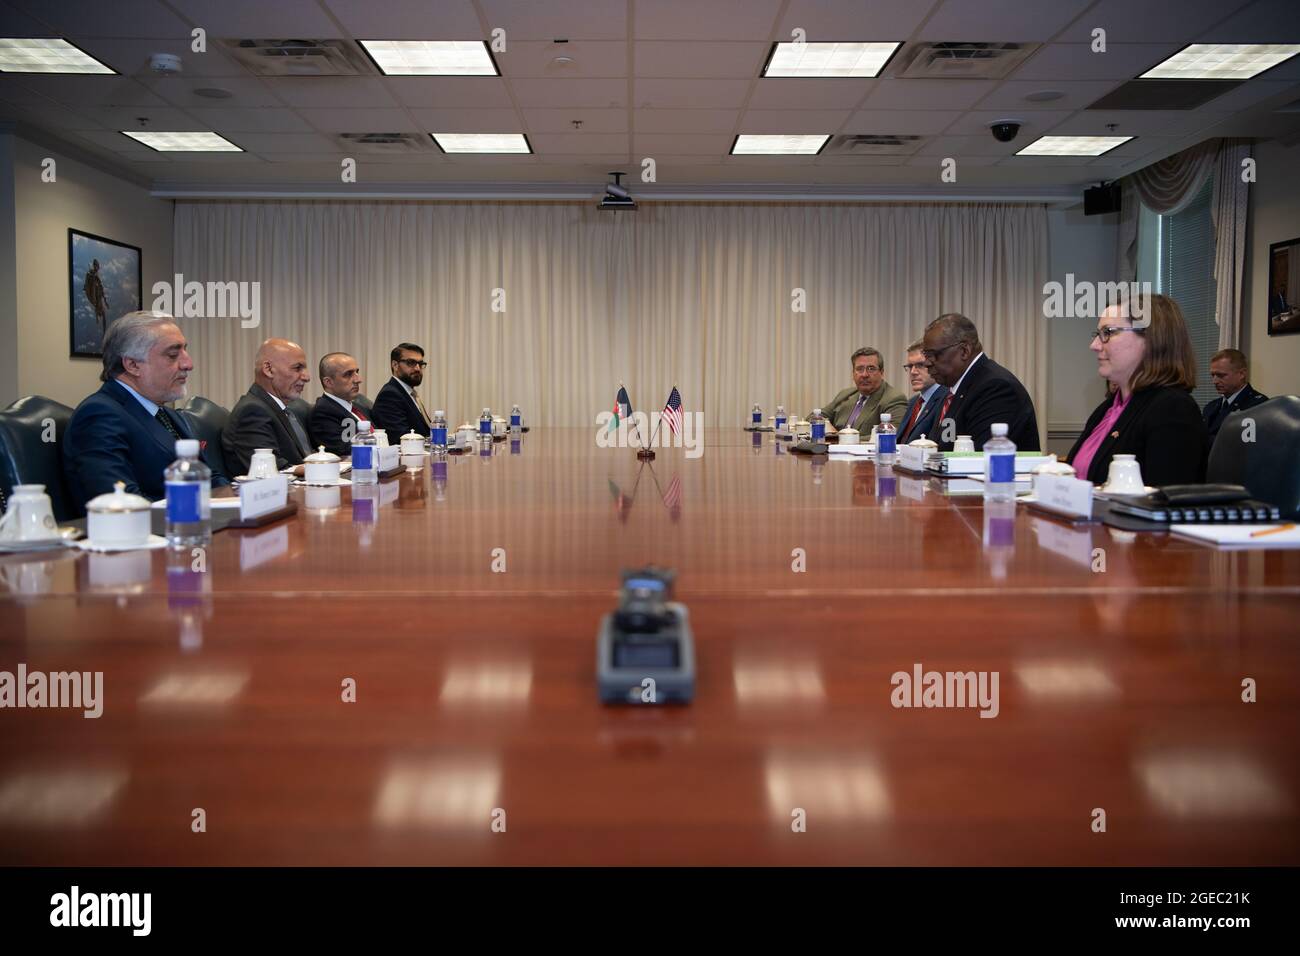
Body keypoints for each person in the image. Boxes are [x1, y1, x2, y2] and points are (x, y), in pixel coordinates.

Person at [63, 311, 228, 508]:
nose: (188, 364)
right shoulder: (99, 415)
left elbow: (210, 478)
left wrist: (242, 499)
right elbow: (121, 502)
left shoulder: (165, 414)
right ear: (132, 365)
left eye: (185, 351)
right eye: (173, 355)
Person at [1066, 295, 1207, 486]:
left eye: (1108, 332)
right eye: (1097, 334)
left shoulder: (1173, 409)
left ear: (1151, 339)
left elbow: (1163, 502)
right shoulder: (1107, 409)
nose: (1095, 345)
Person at [920, 314, 1040, 451]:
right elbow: (943, 446)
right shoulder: (953, 389)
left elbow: (979, 458)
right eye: (926, 355)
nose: (927, 363)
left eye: (934, 354)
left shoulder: (996, 388)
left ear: (964, 351)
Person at [222, 338, 313, 476]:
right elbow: (270, 470)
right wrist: (322, 468)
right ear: (268, 369)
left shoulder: (281, 409)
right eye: (297, 368)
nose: (307, 377)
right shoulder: (252, 412)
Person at [815, 347, 908, 433]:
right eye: (860, 369)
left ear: (882, 373)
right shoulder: (846, 394)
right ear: (853, 373)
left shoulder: (894, 398)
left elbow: (892, 434)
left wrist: (840, 438)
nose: (864, 375)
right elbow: (815, 416)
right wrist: (826, 425)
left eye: (871, 369)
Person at [1202, 348, 1269, 446]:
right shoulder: (1210, 407)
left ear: (1241, 374)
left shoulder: (1258, 406)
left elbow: (1248, 448)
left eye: (1221, 375)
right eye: (1213, 375)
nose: (1215, 381)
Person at [310, 352, 368, 457]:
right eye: (348, 374)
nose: (358, 380)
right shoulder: (323, 412)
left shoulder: (359, 406)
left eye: (357, 372)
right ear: (328, 382)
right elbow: (342, 451)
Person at [372, 343, 433, 443]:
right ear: (395, 365)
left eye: (420, 364)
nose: (418, 368)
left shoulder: (409, 393)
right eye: (411, 363)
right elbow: (400, 439)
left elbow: (425, 431)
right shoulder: (389, 395)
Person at [896, 341, 949, 443]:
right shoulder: (912, 402)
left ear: (934, 365)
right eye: (910, 366)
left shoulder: (946, 399)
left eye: (920, 365)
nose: (913, 372)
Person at [83, 259, 109, 334]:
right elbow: (89, 287)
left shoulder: (95, 275)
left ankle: (104, 331)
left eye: (97, 266)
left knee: (101, 311)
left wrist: (105, 301)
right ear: (95, 266)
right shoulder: (90, 274)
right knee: (98, 308)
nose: (97, 268)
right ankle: (104, 330)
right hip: (96, 295)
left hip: (98, 295)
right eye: (96, 266)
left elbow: (101, 287)